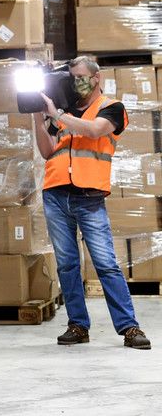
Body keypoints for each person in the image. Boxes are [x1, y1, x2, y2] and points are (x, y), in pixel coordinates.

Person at [35, 56, 150, 350]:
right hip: (55, 194)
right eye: (71, 77)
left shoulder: (111, 107)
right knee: (67, 265)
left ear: (96, 78)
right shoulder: (65, 111)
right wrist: (36, 116)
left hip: (89, 197)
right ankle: (78, 326)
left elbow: (95, 130)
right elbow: (48, 151)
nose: (76, 82)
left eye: (80, 76)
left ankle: (129, 327)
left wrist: (57, 115)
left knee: (106, 263)